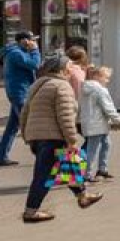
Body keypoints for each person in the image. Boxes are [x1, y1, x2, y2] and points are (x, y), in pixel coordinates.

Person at [21, 59, 103, 222]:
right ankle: (31, 211)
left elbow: (24, 112)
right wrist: (72, 140)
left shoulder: (38, 85)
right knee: (44, 175)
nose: (74, 68)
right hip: (52, 137)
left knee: (68, 167)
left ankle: (83, 196)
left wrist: (27, 136)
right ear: (63, 69)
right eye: (71, 66)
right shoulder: (62, 86)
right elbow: (65, 117)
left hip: (37, 137)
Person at [0, 30, 40, 167]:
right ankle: (43, 155)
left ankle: (2, 155)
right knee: (30, 124)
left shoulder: (19, 52)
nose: (34, 42)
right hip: (19, 93)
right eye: (32, 40)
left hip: (20, 92)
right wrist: (35, 51)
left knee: (12, 126)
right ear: (24, 40)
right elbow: (34, 65)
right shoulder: (16, 53)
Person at [80, 64, 120, 181]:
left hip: (92, 124)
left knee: (106, 144)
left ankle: (102, 169)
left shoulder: (85, 88)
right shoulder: (100, 90)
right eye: (106, 77)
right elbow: (108, 107)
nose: (107, 80)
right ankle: (87, 174)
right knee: (92, 150)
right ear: (97, 76)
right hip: (97, 125)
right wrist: (119, 120)